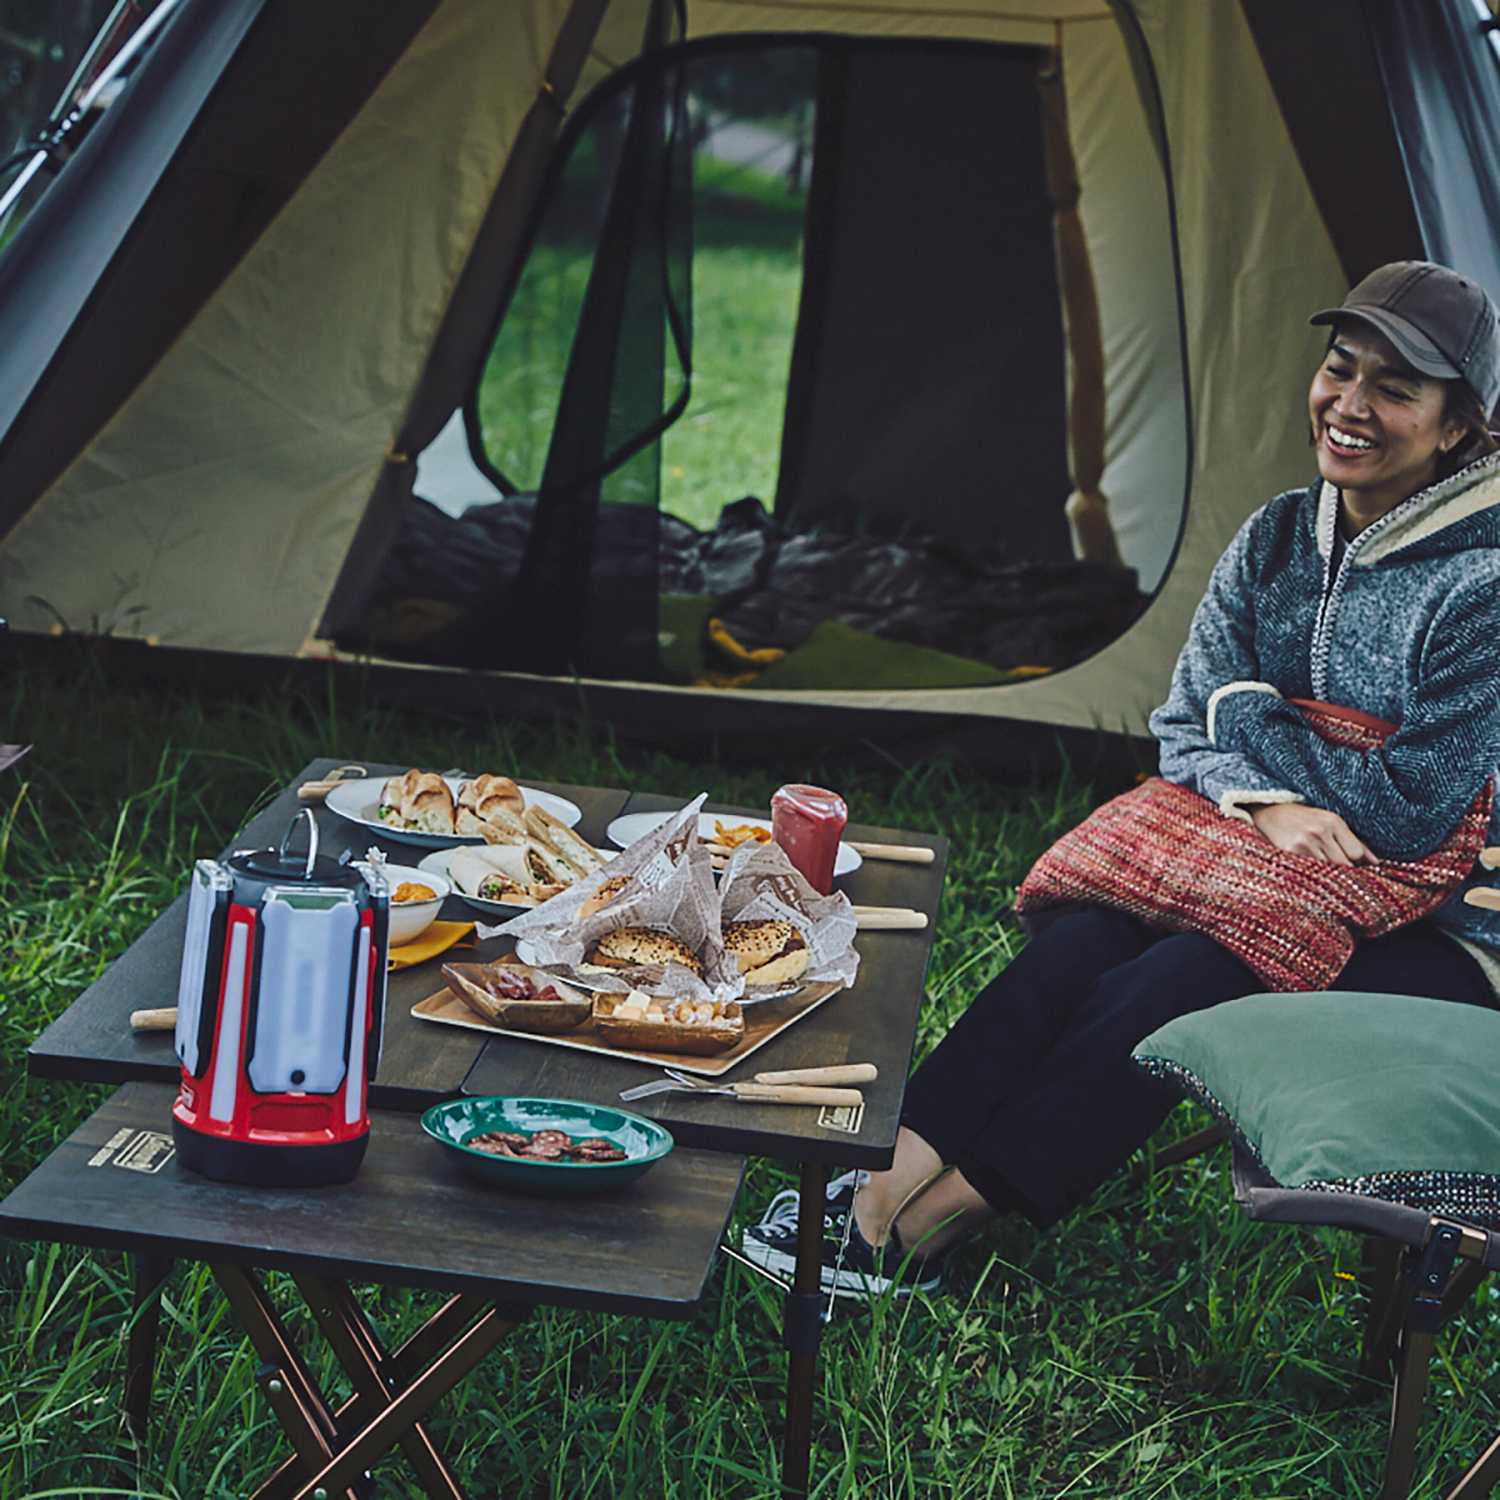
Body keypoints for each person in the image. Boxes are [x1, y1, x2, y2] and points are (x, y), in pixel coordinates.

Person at [743, 260, 1500, 1300]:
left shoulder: (1481, 586)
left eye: (1397, 389)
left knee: (1180, 980)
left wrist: (1248, 714)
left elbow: (1409, 810)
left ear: (1459, 429)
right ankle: (880, 1191)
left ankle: (935, 1227)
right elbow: (1180, 725)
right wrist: (1265, 791)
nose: (1350, 406)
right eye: (1340, 369)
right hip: (1265, 865)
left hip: (1443, 929)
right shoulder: (1280, 534)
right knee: (1084, 946)